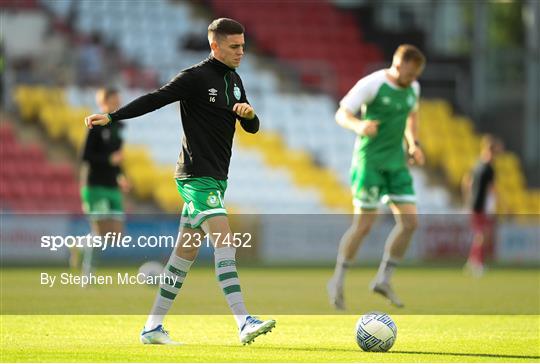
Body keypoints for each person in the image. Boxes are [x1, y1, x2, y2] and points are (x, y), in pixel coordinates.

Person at [84, 18, 275, 345]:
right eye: (234, 46)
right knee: (225, 242)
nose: (241, 52)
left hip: (216, 177)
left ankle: (152, 327)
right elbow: (155, 98)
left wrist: (250, 116)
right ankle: (243, 321)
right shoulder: (195, 77)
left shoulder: (234, 80)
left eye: (243, 46)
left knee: (183, 256)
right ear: (215, 46)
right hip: (195, 174)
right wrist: (113, 117)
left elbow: (252, 128)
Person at [327, 44, 426, 309]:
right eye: (411, 73)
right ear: (398, 64)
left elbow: (411, 116)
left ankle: (384, 278)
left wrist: (414, 144)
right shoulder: (372, 84)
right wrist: (359, 125)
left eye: (417, 74)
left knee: (410, 222)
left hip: (396, 164)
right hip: (369, 163)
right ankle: (337, 279)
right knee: (364, 225)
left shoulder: (413, 88)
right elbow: (342, 113)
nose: (413, 79)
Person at [75, 88, 129, 274]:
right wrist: (108, 160)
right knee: (99, 234)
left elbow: (117, 157)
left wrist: (120, 175)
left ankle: (79, 245)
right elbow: (85, 156)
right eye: (114, 101)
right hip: (95, 184)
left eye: (118, 101)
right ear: (103, 102)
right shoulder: (95, 125)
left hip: (112, 184)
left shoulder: (120, 126)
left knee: (115, 235)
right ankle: (87, 273)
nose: (117, 105)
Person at [462, 135, 502, 277]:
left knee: (479, 235)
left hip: (474, 204)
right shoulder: (489, 168)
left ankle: (472, 262)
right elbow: (492, 188)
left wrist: (467, 198)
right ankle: (477, 263)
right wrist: (498, 202)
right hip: (481, 206)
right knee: (481, 235)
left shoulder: (477, 164)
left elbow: (466, 181)